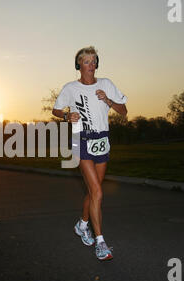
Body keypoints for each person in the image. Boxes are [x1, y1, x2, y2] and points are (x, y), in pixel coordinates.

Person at [52, 46, 128, 261]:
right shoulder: (70, 88)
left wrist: (109, 101)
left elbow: (123, 112)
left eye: (94, 61)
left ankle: (82, 224)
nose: (91, 65)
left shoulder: (106, 84)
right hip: (81, 141)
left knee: (95, 191)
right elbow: (56, 110)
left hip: (102, 140)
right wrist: (67, 116)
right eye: (86, 61)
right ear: (79, 65)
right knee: (97, 192)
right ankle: (101, 242)